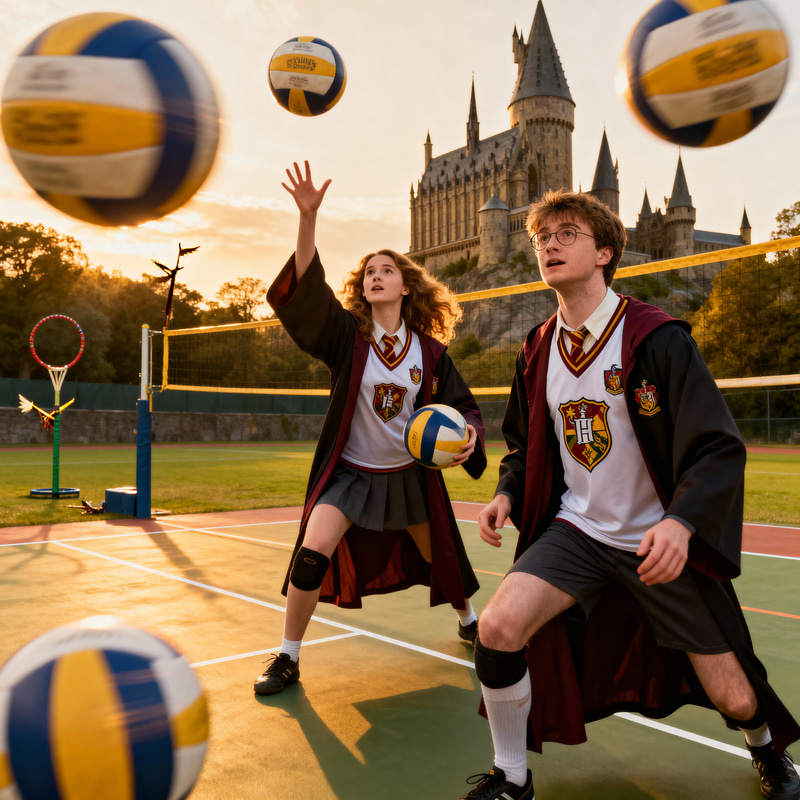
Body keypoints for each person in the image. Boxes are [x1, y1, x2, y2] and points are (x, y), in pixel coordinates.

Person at [458, 189, 800, 800]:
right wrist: (508, 493)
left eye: (567, 233)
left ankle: (766, 751)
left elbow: (718, 447)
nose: (549, 244)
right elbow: (525, 444)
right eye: (542, 237)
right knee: (499, 627)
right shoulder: (537, 349)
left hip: (652, 539)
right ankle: (511, 777)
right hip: (577, 531)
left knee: (736, 696)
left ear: (606, 252)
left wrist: (681, 523)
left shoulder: (656, 339)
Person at [254, 161, 487, 695]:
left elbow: (464, 407)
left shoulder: (428, 353)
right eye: (368, 272)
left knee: (442, 558)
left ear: (406, 286)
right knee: (310, 556)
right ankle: (288, 656)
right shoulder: (347, 337)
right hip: (352, 476)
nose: (374, 275)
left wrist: (469, 435)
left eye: (387, 269)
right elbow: (307, 292)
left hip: (408, 476)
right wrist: (308, 218)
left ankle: (469, 620)